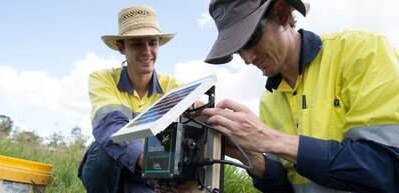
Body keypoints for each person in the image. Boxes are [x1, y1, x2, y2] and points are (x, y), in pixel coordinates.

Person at [202, 0, 399, 192]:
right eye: (238, 50)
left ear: (282, 14)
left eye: (250, 40)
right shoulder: (269, 100)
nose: (247, 59)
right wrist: (246, 155)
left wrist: (270, 139)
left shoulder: (361, 51)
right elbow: (287, 185)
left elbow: (387, 168)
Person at [77, 6, 187, 193]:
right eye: (137, 44)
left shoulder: (173, 86)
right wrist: (148, 160)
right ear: (121, 47)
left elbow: (193, 124)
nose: (147, 51)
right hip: (113, 168)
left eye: (152, 42)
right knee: (103, 152)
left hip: (146, 177)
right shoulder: (102, 79)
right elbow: (111, 126)